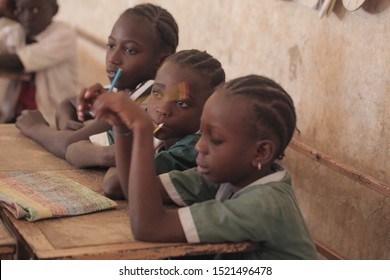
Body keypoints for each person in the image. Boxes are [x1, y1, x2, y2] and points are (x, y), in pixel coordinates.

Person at [91, 74, 318, 259]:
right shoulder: (230, 177)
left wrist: (141, 128)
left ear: (260, 152)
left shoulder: (264, 205)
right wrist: (121, 127)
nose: (199, 146)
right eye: (202, 133)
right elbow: (128, 186)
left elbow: (149, 228)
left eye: (215, 140)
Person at [15, 3, 179, 163]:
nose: (113, 58)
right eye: (111, 45)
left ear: (161, 61)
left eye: (130, 50)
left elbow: (67, 145)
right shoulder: (125, 89)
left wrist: (35, 128)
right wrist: (67, 122)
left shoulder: (151, 98)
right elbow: (68, 103)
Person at [79, 49, 225, 199]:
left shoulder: (193, 148)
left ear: (209, 111)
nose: (162, 109)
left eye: (182, 103)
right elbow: (74, 149)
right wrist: (113, 154)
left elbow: (115, 185)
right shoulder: (156, 130)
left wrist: (123, 148)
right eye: (158, 94)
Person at [0, 0, 78, 126]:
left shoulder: (64, 34)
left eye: (36, 10)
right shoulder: (14, 32)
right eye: (20, 9)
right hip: (16, 114)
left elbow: (20, 61)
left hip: (53, 118)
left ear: (54, 10)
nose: (27, 17)